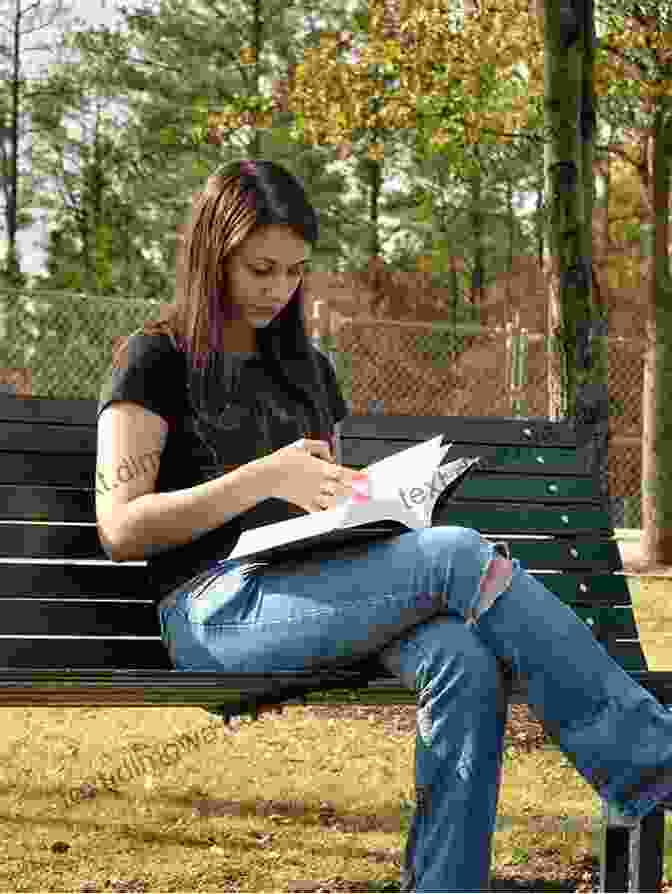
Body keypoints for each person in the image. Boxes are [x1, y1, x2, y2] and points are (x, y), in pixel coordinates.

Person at [96, 158, 672, 893]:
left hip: (311, 588)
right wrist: (260, 478)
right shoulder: (153, 359)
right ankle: (650, 758)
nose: (278, 289)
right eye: (260, 269)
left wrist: (371, 508)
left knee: (462, 660)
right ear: (214, 254)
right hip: (211, 611)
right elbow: (119, 525)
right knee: (458, 557)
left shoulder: (306, 371)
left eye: (294, 271)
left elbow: (326, 509)